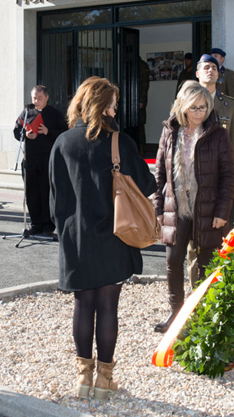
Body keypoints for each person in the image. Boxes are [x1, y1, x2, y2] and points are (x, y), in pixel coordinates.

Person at [50, 76, 157, 400]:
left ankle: (83, 378)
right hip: (115, 234)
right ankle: (104, 381)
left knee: (83, 305)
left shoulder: (63, 143)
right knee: (108, 306)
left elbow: (54, 200)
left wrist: (65, 232)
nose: (115, 108)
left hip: (77, 237)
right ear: (102, 104)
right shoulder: (119, 142)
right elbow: (147, 185)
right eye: (112, 103)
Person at [152, 81, 234, 333]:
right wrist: (158, 208)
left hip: (208, 210)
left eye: (203, 107)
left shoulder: (217, 133)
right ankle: (176, 315)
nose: (199, 113)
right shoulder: (170, 131)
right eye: (194, 108)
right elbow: (159, 174)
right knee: (173, 262)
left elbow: (228, 176)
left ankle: (202, 316)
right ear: (182, 107)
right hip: (175, 207)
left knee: (206, 265)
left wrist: (222, 212)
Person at [13, 84, 67, 235]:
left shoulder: (55, 114)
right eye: (34, 98)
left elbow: (64, 133)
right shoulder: (26, 112)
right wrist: (25, 135)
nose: (36, 101)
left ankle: (48, 225)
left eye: (39, 98)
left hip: (48, 159)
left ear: (47, 98)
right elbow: (16, 131)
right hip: (30, 159)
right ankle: (36, 223)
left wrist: (48, 131)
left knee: (46, 192)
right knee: (32, 192)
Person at [194, 54, 234, 210]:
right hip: (192, 174)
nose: (211, 70)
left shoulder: (230, 105)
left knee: (221, 225)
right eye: (206, 67)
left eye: (214, 68)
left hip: (220, 175)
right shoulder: (185, 103)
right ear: (197, 74)